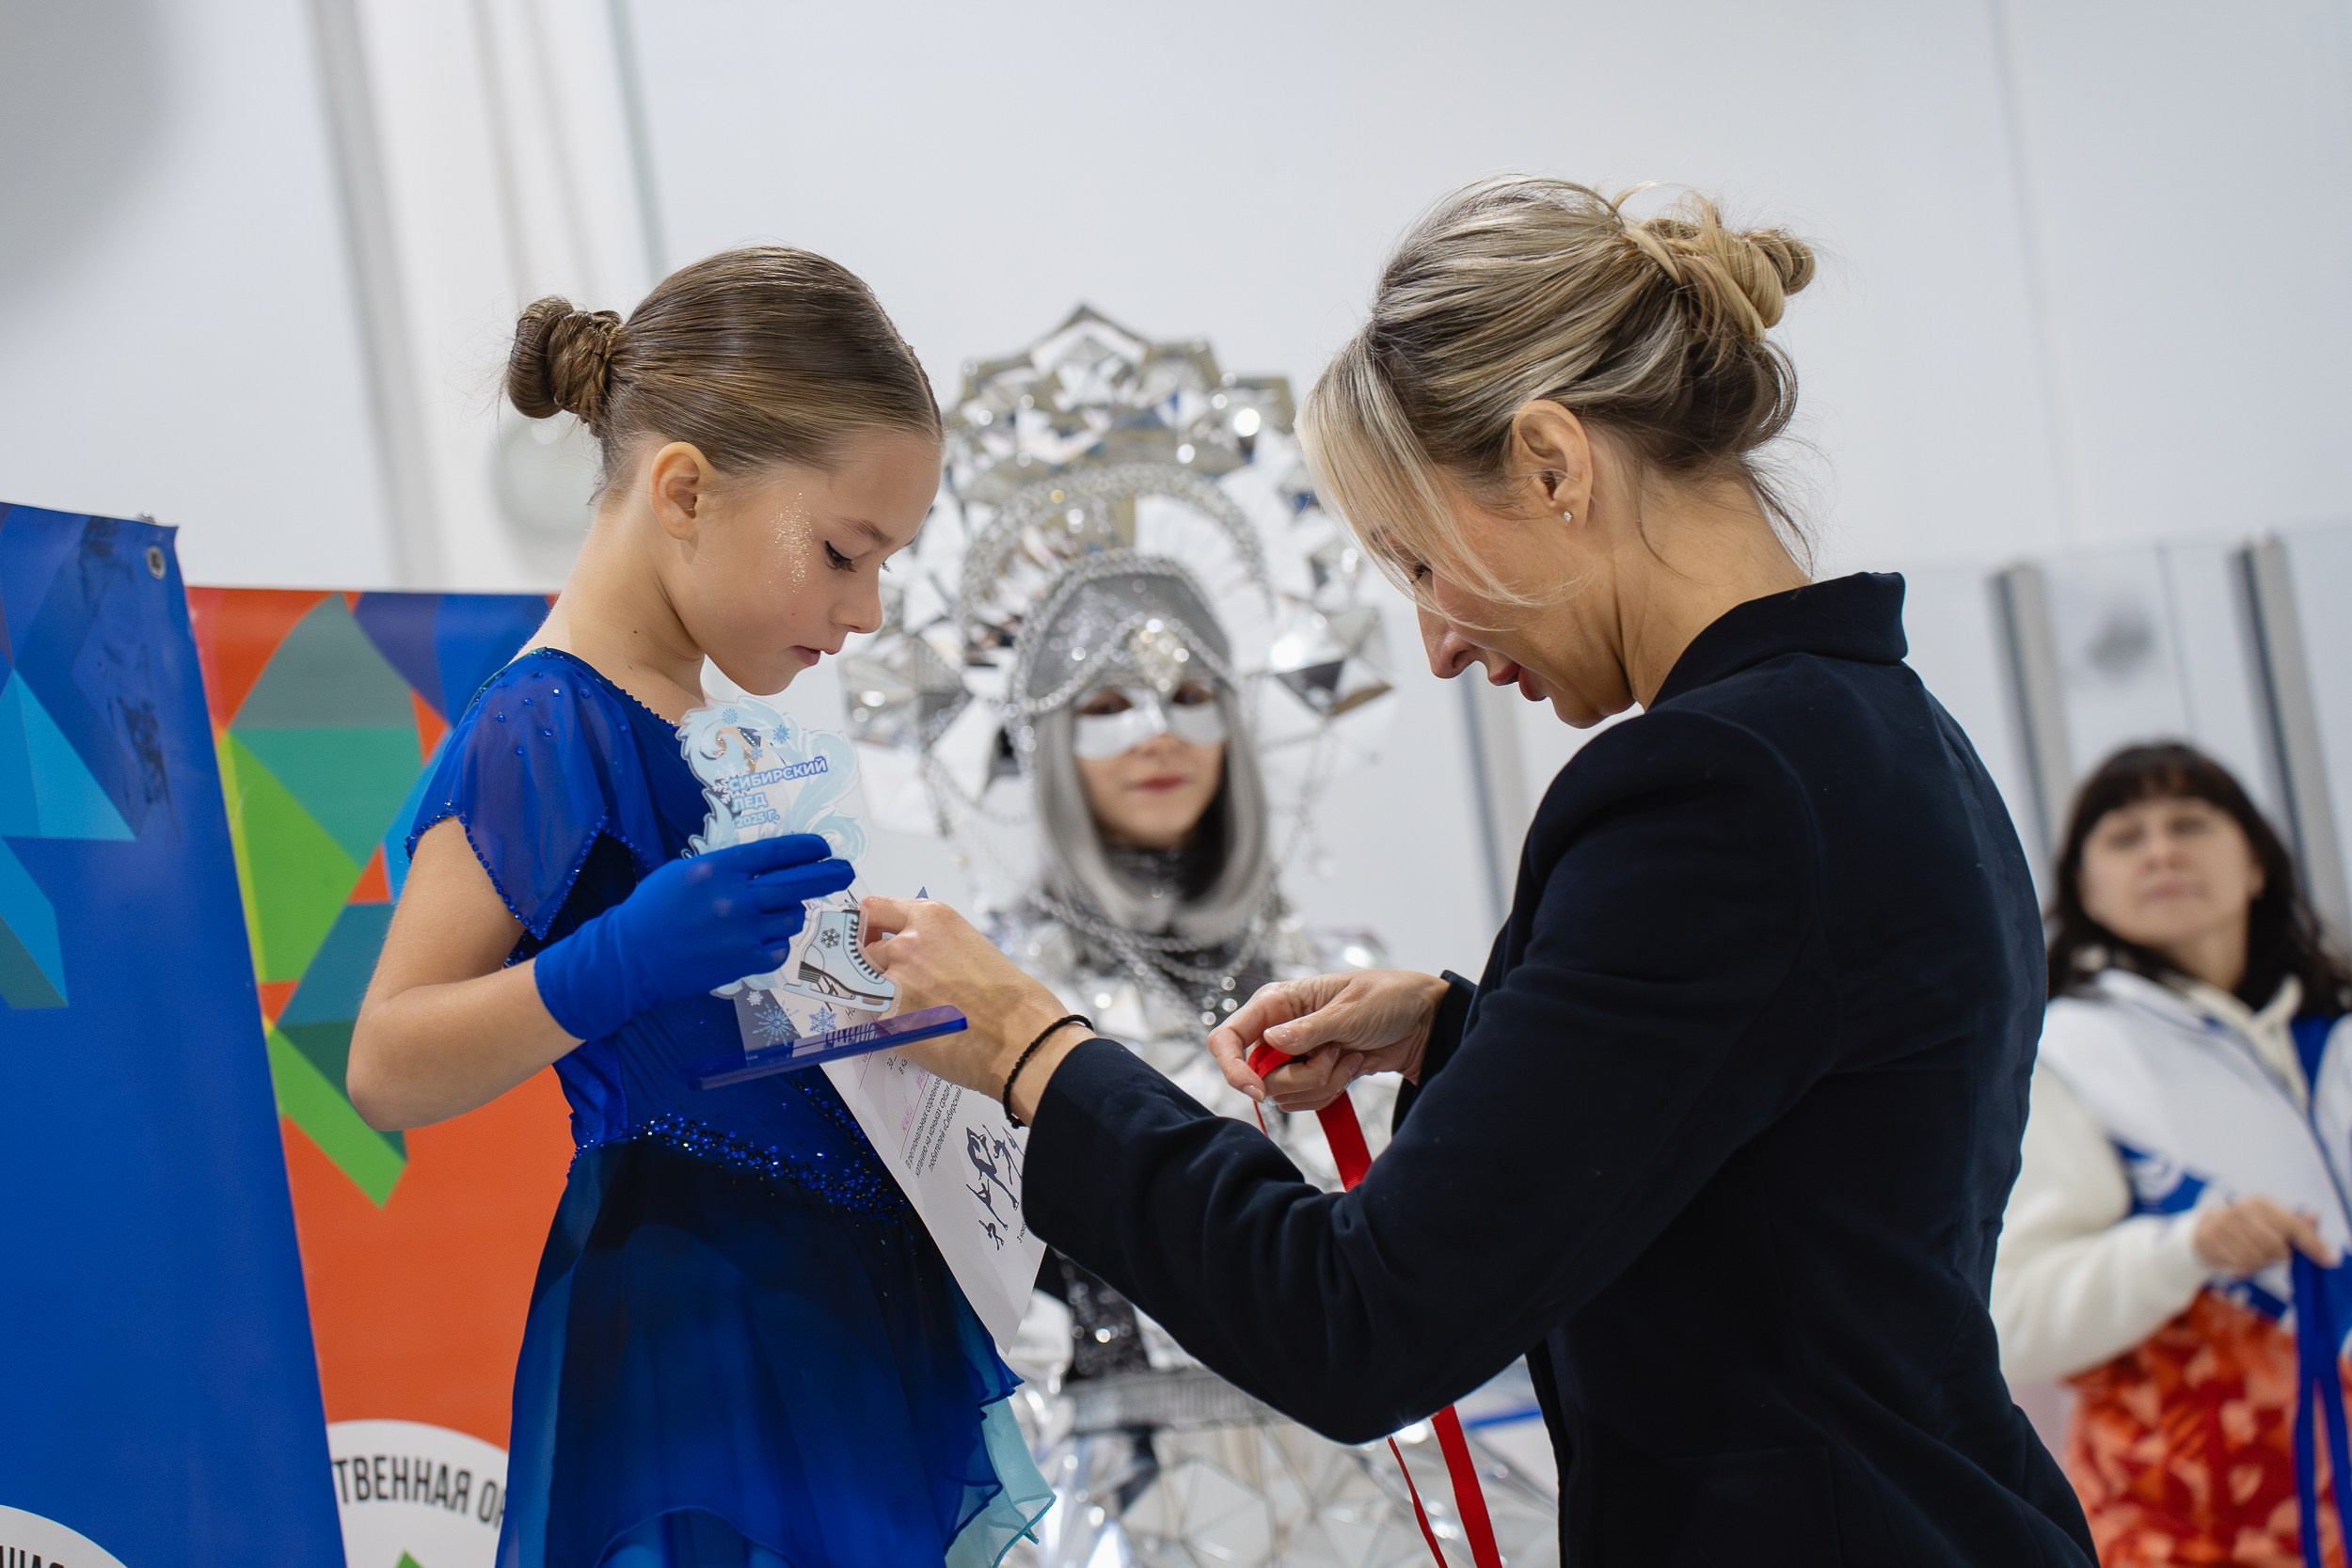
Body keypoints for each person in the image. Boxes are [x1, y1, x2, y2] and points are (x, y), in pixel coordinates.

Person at [854, 176, 2100, 1566]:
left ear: (1554, 464)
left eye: (1423, 561)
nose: (1439, 643)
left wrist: (1036, 1049)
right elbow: (1784, 1138)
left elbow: (1359, 1320)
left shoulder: (1713, 790)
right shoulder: (1881, 730)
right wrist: (1470, 1028)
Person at [346, 247, 1051, 1568]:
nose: (869, 607)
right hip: (701, 1326)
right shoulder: (543, 722)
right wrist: (608, 963)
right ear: (683, 489)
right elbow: (383, 1063)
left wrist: (882, 989)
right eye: (846, 552)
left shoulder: (713, 728)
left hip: (827, 1305)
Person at [1992, 742, 2352, 1566]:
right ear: (2082, 885)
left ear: (2256, 861)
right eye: (2124, 836)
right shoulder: (2064, 1054)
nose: (2161, 850)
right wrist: (2185, 1248)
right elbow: (2011, 1319)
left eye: (2190, 822)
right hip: (2185, 1532)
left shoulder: (2339, 1045)